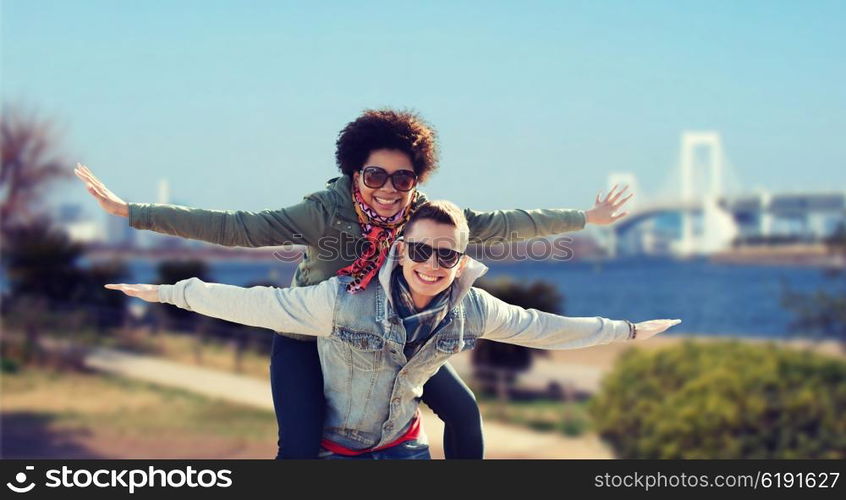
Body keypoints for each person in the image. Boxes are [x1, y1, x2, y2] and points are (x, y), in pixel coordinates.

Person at [77, 109, 633, 459]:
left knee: (464, 414)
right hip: (312, 329)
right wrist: (132, 211)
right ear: (354, 174)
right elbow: (236, 228)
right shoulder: (324, 211)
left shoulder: (425, 216)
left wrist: (587, 218)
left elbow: (505, 223)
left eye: (403, 178)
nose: (389, 189)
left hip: (387, 334)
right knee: (298, 446)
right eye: (375, 176)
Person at [106, 200, 680, 459]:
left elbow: (542, 327)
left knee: (465, 410)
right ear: (400, 250)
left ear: (462, 258)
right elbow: (256, 302)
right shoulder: (341, 298)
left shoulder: (470, 305)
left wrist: (625, 330)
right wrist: (168, 292)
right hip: (334, 448)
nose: (434, 264)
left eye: (447, 256)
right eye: (423, 251)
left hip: (403, 450)